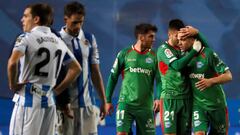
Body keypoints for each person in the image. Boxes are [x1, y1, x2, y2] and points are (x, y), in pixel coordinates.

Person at [7, 3, 81, 135]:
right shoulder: (58, 41)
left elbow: (12, 62)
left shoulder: (26, 37)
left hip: (28, 101)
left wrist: (13, 85)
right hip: (49, 103)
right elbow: (76, 68)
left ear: (36, 19)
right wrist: (57, 90)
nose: (22, 19)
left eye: (25, 16)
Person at [56, 1, 107, 135]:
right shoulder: (56, 40)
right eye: (74, 23)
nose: (78, 26)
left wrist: (104, 100)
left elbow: (95, 72)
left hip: (88, 104)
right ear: (65, 19)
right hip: (65, 106)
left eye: (81, 22)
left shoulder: (89, 38)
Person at [106, 23, 161, 135]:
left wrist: (158, 98)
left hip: (146, 107)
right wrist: (108, 100)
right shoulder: (124, 54)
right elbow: (113, 77)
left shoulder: (155, 56)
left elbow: (159, 80)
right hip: (126, 104)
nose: (154, 39)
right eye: (151, 36)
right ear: (141, 37)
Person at [178, 31, 232, 135]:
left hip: (217, 105)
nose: (179, 43)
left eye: (183, 40)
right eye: (179, 40)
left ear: (193, 40)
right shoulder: (184, 57)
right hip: (198, 105)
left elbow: (228, 76)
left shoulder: (209, 54)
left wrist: (211, 81)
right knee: (199, 133)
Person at [157, 19, 205, 135]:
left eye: (181, 37)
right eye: (176, 37)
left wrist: (197, 33)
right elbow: (177, 65)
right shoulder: (164, 49)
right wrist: (194, 51)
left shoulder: (185, 48)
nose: (179, 40)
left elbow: (206, 50)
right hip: (170, 98)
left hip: (187, 99)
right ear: (169, 34)